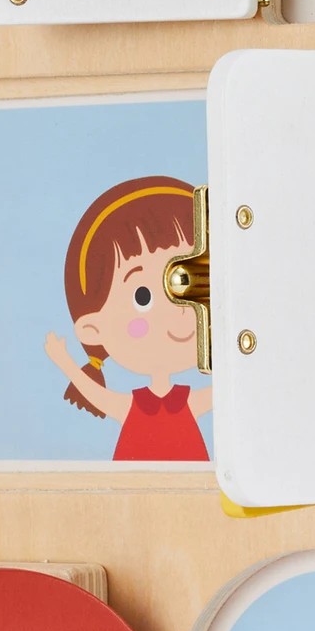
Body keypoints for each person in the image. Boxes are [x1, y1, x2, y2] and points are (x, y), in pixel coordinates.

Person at [43, 177, 212, 461]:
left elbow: (226, 391)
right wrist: (65, 363)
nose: (179, 310)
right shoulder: (135, 406)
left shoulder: (186, 401)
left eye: (190, 281)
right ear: (93, 328)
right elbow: (99, 397)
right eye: (142, 296)